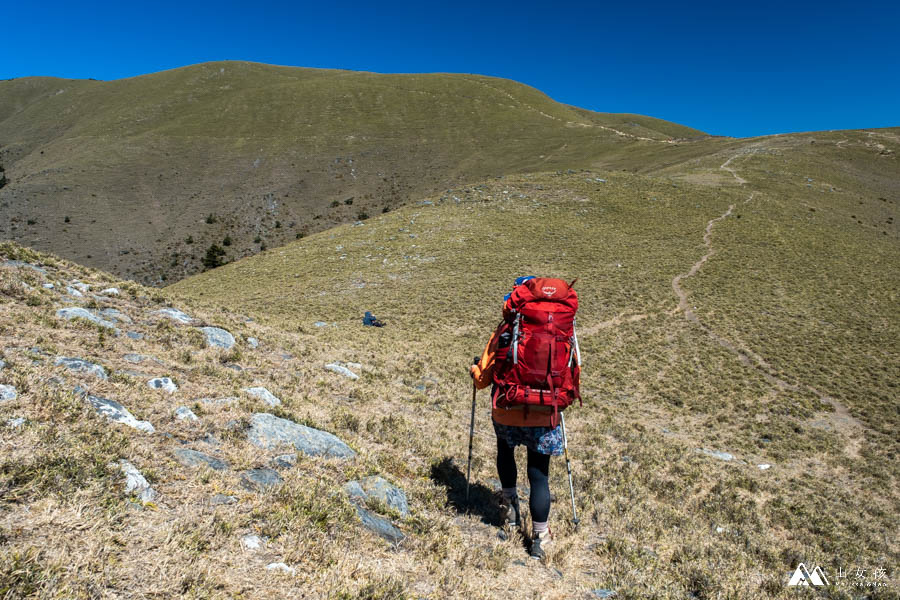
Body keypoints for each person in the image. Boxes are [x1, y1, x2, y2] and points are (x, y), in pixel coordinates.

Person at [469, 276, 580, 560]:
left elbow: (483, 378)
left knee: (505, 453)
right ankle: (540, 537)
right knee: (539, 474)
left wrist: (473, 370)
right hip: (545, 409)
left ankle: (511, 514)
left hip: (507, 408)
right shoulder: (562, 331)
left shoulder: (506, 330)